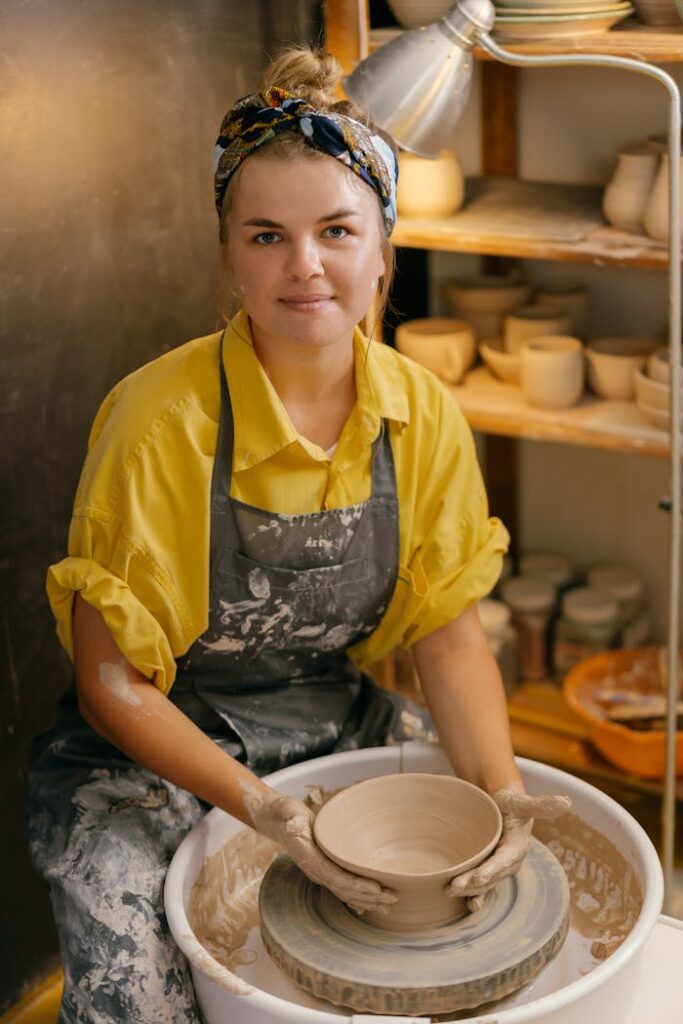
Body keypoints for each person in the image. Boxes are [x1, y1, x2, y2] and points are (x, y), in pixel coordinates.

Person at [26, 44, 568, 1024]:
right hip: (151, 757)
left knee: (485, 901)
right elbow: (109, 684)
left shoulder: (420, 414)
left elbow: (444, 635)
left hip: (333, 717)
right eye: (266, 234)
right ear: (228, 251)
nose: (304, 265)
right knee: (141, 999)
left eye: (335, 230)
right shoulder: (159, 419)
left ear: (384, 252)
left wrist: (499, 791)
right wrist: (264, 808)